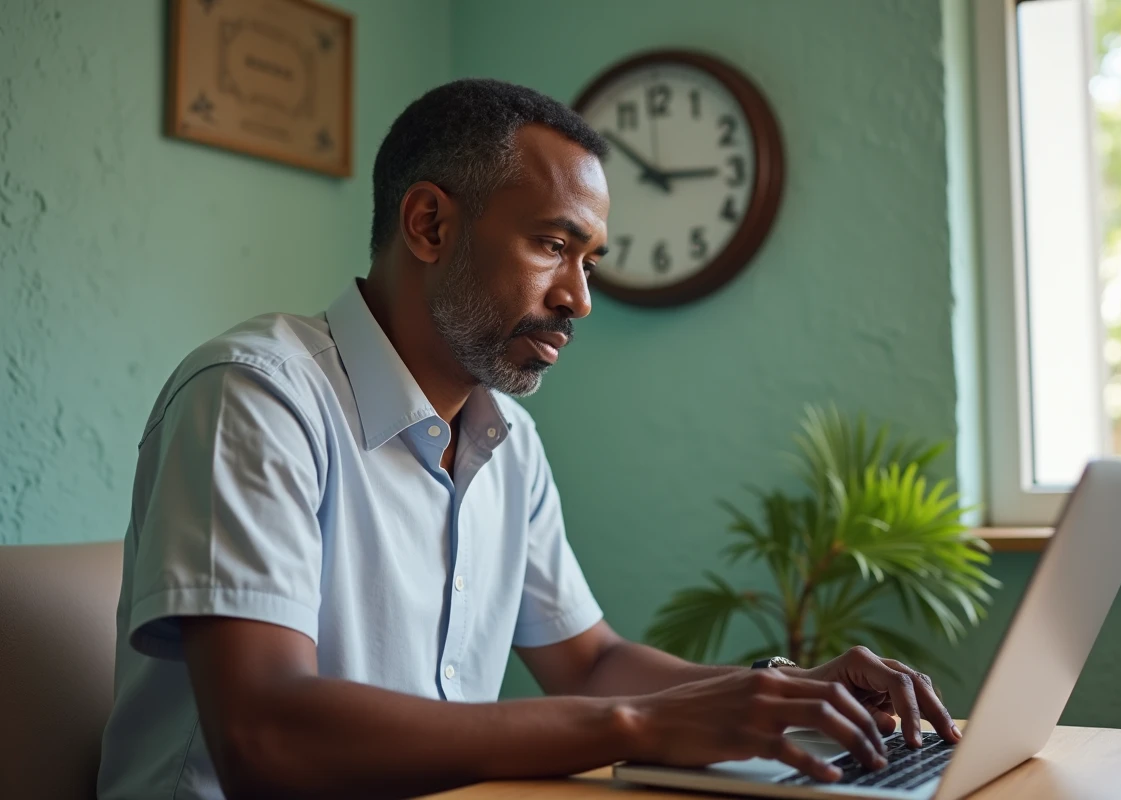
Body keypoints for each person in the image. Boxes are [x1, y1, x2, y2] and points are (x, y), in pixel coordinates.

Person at [97, 79, 961, 800]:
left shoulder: (508, 438)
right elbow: (265, 733)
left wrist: (783, 696)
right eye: (555, 244)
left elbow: (589, 663)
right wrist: (640, 726)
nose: (580, 299)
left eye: (590, 260)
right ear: (430, 226)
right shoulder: (255, 397)